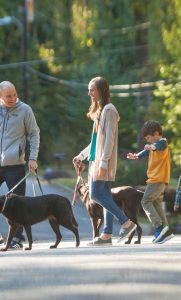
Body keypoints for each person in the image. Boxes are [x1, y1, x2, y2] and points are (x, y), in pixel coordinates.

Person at [73, 76, 137, 245]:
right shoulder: (101, 111)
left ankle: (126, 223)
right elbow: (96, 141)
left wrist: (103, 162)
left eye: (92, 90)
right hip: (97, 160)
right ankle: (107, 234)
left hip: (103, 162)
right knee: (106, 195)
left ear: (101, 90)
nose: (89, 93)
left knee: (95, 194)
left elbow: (109, 139)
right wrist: (82, 155)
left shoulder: (109, 110)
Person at [0, 81, 40, 249]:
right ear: (0, 96)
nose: (13, 98)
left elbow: (34, 133)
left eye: (14, 94)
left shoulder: (25, 110)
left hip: (15, 164)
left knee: (17, 205)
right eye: (8, 96)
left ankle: (17, 239)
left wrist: (32, 158)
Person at [127, 120, 174, 244]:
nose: (148, 141)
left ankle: (158, 227)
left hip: (157, 179)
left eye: (149, 137)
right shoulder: (152, 146)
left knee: (146, 201)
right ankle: (166, 231)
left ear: (156, 133)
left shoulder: (162, 142)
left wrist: (152, 146)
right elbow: (146, 151)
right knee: (157, 203)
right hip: (157, 180)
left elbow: (157, 146)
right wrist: (136, 156)